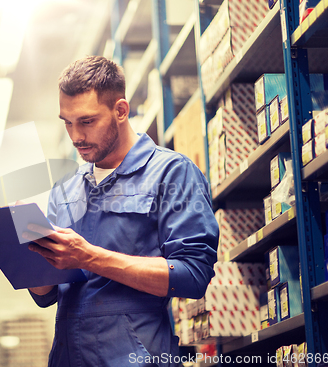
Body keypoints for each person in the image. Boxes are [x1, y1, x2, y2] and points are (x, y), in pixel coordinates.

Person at [22, 55, 218, 367]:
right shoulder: (65, 189)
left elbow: (193, 276)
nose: (76, 137)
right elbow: (47, 294)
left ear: (121, 111)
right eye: (67, 123)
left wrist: (88, 257)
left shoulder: (171, 173)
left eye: (87, 122)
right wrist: (27, 252)